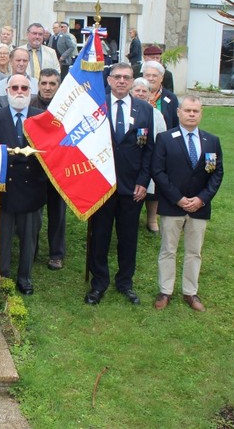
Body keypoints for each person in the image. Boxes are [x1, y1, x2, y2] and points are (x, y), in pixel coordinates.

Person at [85, 63, 155, 306]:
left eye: (127, 77)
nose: (122, 81)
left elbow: (149, 151)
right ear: (109, 80)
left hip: (132, 187)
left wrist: (143, 182)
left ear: (133, 80)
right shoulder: (96, 106)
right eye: (117, 77)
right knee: (100, 237)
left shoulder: (145, 110)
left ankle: (125, 282)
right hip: (102, 186)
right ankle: (99, 283)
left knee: (128, 237)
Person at [152, 96, 223, 312]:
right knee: (168, 250)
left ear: (201, 114)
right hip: (173, 205)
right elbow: (158, 171)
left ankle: (190, 292)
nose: (192, 114)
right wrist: (178, 198)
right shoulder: (165, 139)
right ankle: (165, 290)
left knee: (194, 251)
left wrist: (201, 199)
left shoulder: (211, 141)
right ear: (179, 113)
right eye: (188, 110)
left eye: (196, 111)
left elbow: (217, 172)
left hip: (199, 207)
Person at [0, 74, 47, 295]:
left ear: (30, 92)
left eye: (24, 87)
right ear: (7, 91)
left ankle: (25, 278)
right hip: (5, 187)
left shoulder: (42, 118)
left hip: (32, 186)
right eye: (15, 88)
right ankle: (0, 276)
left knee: (29, 236)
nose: (19, 91)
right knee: (2, 236)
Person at [30, 69, 67, 270]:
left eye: (52, 84)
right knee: (34, 213)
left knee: (58, 214)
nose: (47, 87)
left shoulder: (66, 107)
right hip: (35, 167)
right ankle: (32, 249)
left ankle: (56, 253)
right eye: (44, 83)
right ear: (38, 85)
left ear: (58, 86)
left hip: (58, 168)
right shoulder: (30, 105)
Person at [136, 65, 176, 233]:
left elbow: (173, 122)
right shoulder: (134, 100)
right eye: (148, 75)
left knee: (155, 183)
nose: (151, 78)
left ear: (162, 77)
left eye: (155, 75)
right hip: (136, 150)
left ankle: (152, 218)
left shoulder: (169, 98)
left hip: (158, 145)